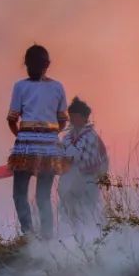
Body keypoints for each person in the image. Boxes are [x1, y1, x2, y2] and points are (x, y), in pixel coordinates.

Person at [7, 44, 70, 239]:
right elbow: (62, 119)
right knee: (43, 196)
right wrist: (51, 135)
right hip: (49, 148)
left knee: (19, 194)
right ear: (47, 65)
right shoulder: (57, 87)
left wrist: (21, 136)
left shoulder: (20, 86)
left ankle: (28, 235)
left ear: (26, 65)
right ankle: (47, 237)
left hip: (25, 146)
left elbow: (11, 119)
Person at [58, 96, 110, 229]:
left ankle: (91, 236)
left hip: (89, 179)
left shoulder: (90, 136)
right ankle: (69, 236)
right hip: (72, 180)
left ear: (84, 117)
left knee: (87, 210)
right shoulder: (68, 137)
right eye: (72, 116)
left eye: (76, 116)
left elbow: (78, 157)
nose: (73, 119)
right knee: (67, 209)